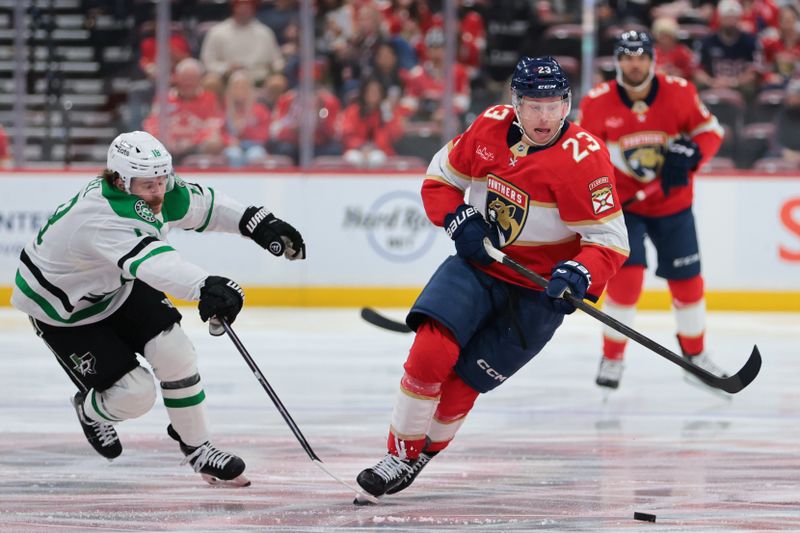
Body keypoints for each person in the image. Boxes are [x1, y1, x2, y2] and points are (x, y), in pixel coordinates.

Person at [354, 56, 630, 501]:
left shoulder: (585, 158)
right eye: (534, 105)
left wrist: (578, 275)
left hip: (539, 293)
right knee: (430, 349)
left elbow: (610, 241)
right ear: (515, 102)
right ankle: (399, 454)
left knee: (466, 380)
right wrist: (458, 218)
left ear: (568, 104)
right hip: (480, 266)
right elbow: (440, 179)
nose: (545, 116)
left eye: (555, 104)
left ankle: (425, 453)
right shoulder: (489, 127)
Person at [11, 131, 305, 486]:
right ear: (120, 180)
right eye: (147, 185)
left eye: (161, 181)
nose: (157, 193)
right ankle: (89, 411)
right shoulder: (101, 215)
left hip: (115, 286)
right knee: (135, 396)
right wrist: (204, 286)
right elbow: (155, 263)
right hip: (65, 311)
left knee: (176, 351)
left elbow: (201, 206)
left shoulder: (148, 187)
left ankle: (199, 448)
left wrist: (255, 221)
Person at [576, 30, 725, 390]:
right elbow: (580, 155)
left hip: (673, 203)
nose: (634, 62)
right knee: (626, 281)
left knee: (687, 283)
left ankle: (695, 355)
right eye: (626, 56)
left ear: (652, 59)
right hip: (624, 208)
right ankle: (612, 357)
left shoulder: (679, 92)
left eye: (640, 55)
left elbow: (711, 132)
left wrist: (693, 156)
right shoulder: (597, 102)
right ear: (617, 61)